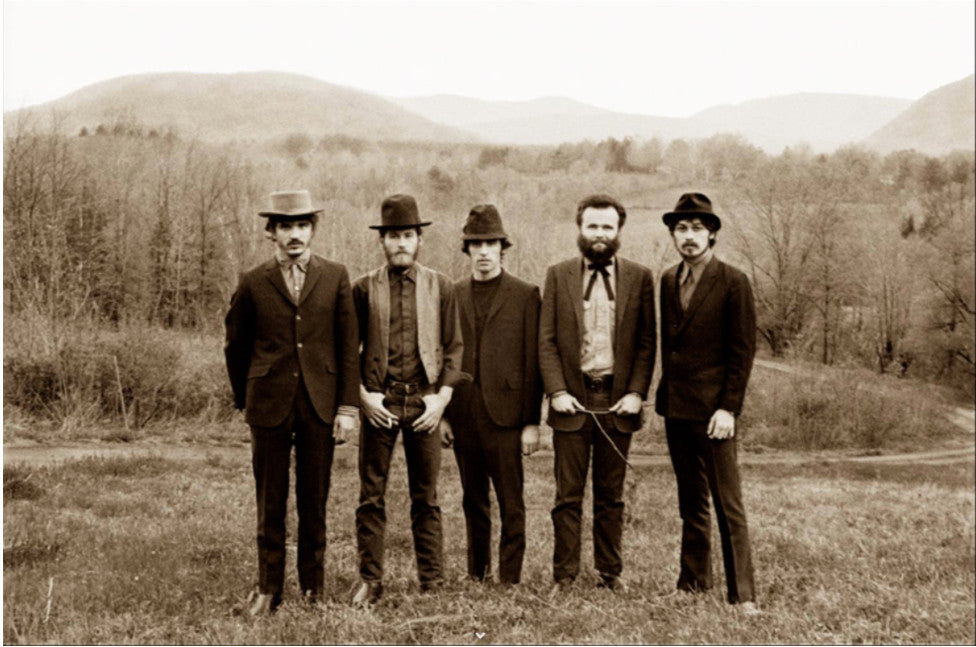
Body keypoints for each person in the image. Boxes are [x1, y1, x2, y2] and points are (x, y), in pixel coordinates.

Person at [224, 190, 360, 615]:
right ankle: (269, 588)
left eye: (302, 225)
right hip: (268, 406)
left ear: (312, 230)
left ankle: (313, 588)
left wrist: (347, 407)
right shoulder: (252, 281)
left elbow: (348, 344)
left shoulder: (336, 276)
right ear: (272, 233)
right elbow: (236, 346)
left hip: (321, 404)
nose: (295, 234)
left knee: (314, 498)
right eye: (286, 226)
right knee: (271, 499)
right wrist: (247, 398)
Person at [351, 194, 466, 606]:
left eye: (408, 235)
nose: (400, 243)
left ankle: (432, 581)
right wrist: (365, 398)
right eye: (393, 236)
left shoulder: (441, 286)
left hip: (424, 403)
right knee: (371, 495)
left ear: (419, 240)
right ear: (382, 241)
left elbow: (454, 349)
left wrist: (440, 401)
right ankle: (371, 580)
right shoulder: (363, 288)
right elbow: (348, 350)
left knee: (427, 496)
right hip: (380, 403)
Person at [538, 194, 656, 592]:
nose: (600, 234)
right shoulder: (558, 275)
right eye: (592, 226)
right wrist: (555, 391)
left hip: (617, 401)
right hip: (572, 400)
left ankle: (610, 572)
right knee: (567, 495)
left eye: (608, 227)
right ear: (580, 229)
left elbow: (645, 343)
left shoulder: (640, 278)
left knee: (611, 495)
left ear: (619, 231)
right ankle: (565, 576)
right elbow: (547, 342)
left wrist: (637, 392)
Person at [656, 192, 760, 615]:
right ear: (673, 235)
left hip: (715, 413)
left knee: (727, 502)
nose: (689, 236)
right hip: (676, 409)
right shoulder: (666, 280)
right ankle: (693, 581)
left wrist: (728, 409)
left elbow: (742, 352)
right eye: (681, 228)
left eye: (698, 228)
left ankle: (744, 596)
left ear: (712, 233)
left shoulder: (733, 281)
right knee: (690, 500)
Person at [445, 204, 543, 585]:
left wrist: (532, 422)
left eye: (491, 243)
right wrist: (445, 417)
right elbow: (443, 357)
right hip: (464, 414)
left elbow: (533, 364)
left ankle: (510, 578)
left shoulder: (525, 294)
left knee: (511, 502)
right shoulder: (451, 294)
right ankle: (477, 572)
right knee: (474, 500)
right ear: (466, 249)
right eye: (476, 244)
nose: (484, 251)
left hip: (508, 417)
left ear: (503, 247)